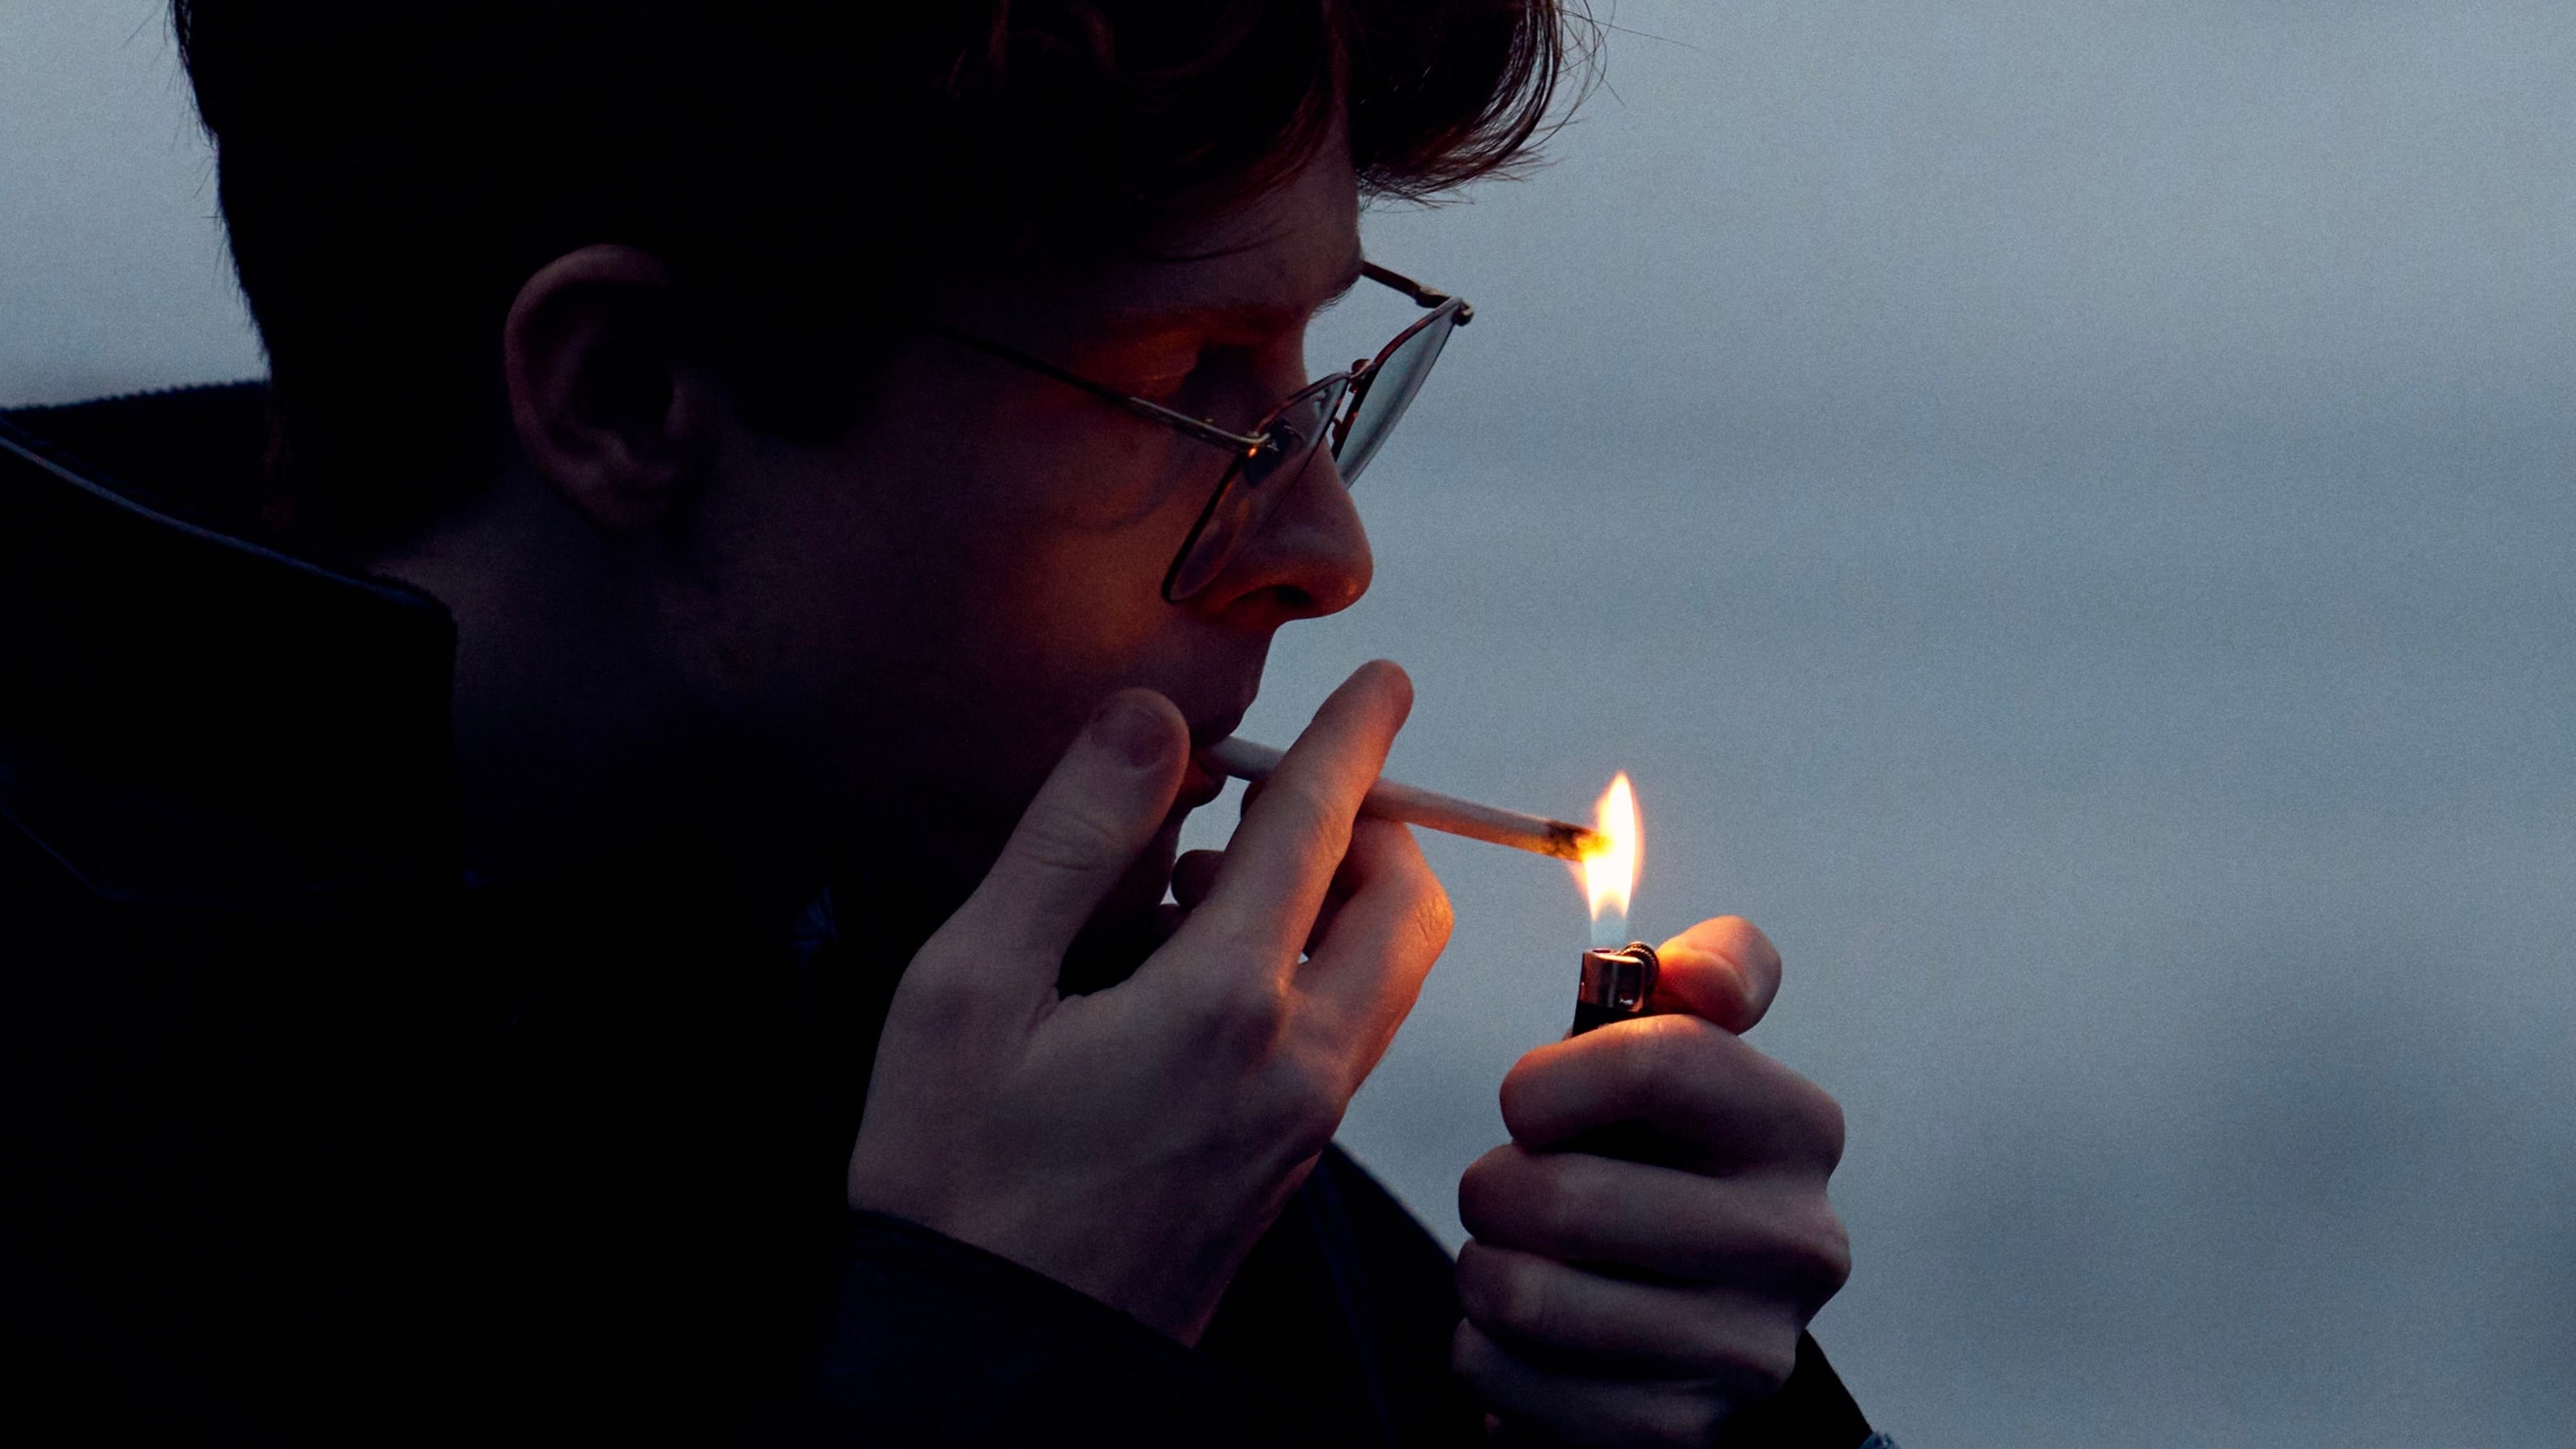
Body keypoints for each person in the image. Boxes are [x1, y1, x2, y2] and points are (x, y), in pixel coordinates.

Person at [0, 3, 1881, 1443]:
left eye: (1321, 376)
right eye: (1194, 388)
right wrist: (1006, 1356)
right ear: (629, 397)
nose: (1324, 552)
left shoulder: (1021, 1053)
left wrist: (1664, 1420)